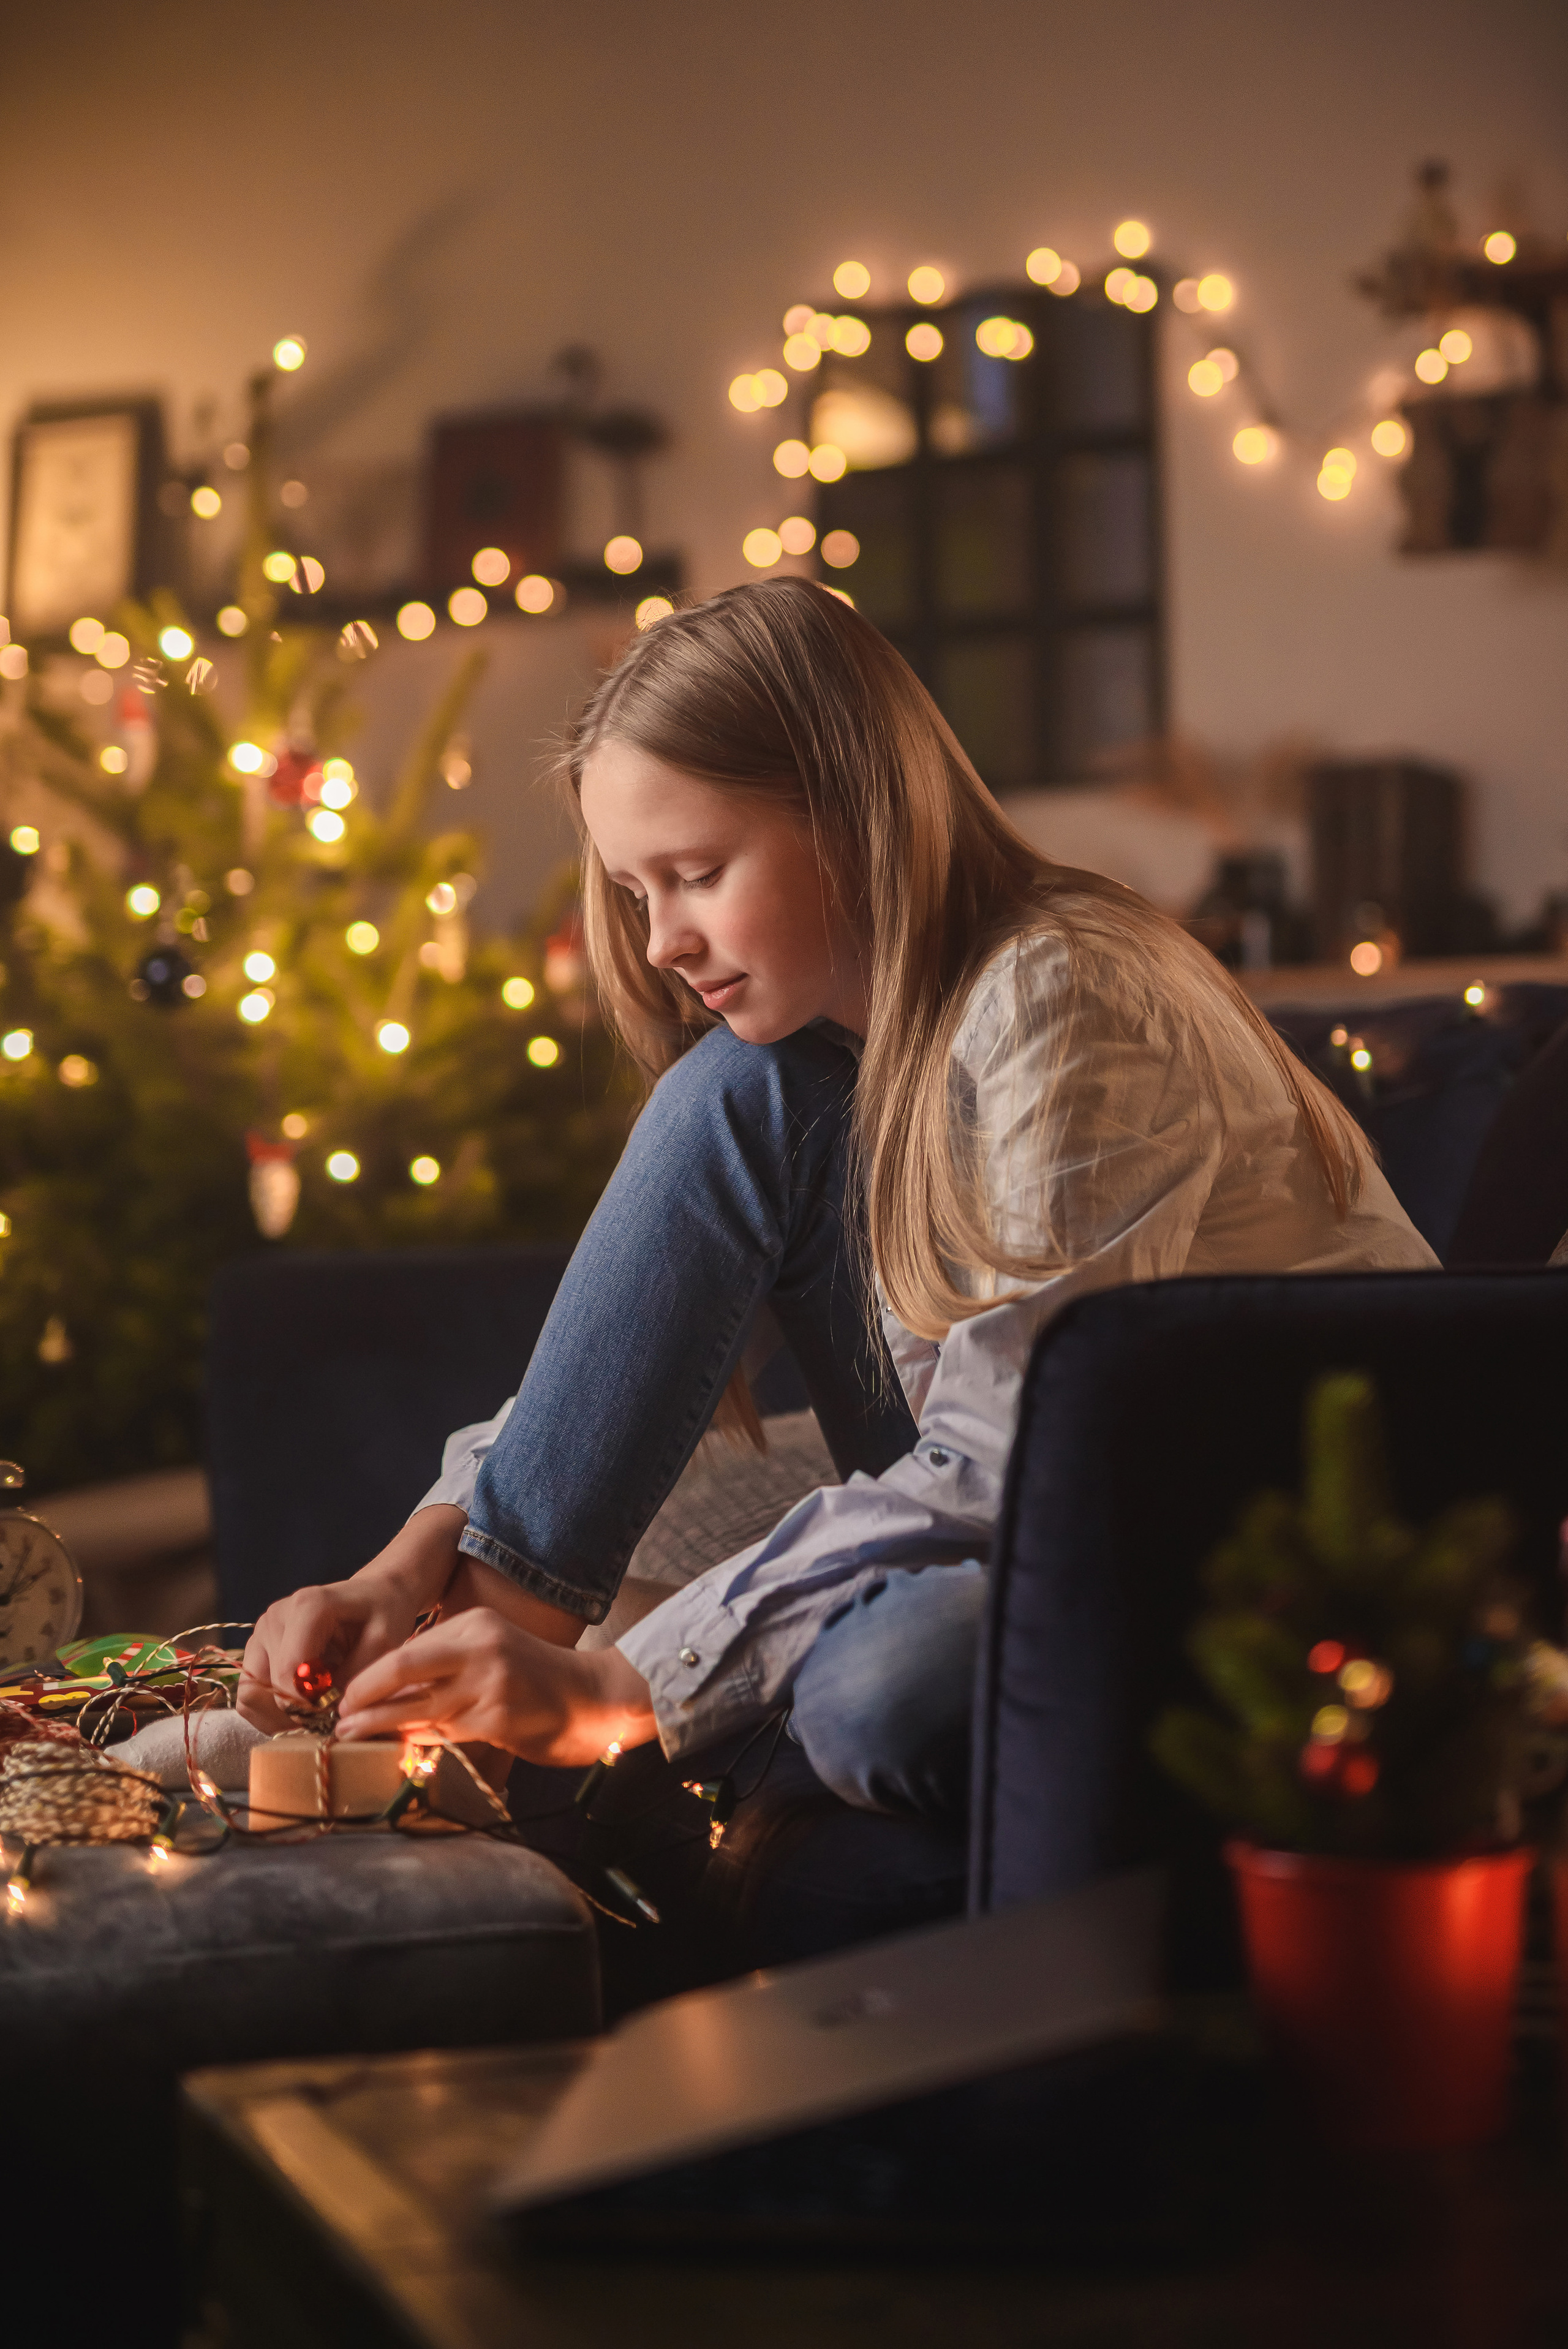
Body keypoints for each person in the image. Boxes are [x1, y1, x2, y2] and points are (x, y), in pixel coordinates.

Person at [238, 578, 1436, 1817]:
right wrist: (413, 1556)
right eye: (637, 892)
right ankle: (437, 1680)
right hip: (1031, 1483)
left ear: (857, 813)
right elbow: (615, 1376)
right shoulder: (838, 1051)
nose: (659, 943)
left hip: (1245, 1527)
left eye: (697, 873)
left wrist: (615, 1686)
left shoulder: (1062, 996)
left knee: (881, 1682)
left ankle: (462, 1714)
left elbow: (1016, 1459)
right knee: (736, 1089)